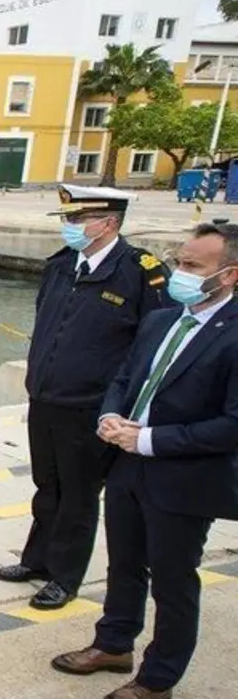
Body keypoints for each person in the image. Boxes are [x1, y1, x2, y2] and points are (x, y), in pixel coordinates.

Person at [51, 221, 238, 699]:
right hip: (126, 467)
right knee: (123, 565)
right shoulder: (161, 321)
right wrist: (110, 415)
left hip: (182, 479)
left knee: (173, 582)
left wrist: (150, 440)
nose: (181, 273)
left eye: (193, 266)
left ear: (230, 275)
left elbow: (232, 425)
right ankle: (113, 644)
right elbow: (125, 378)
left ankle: (158, 679)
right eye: (180, 261)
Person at [0, 184, 174, 611]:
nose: (69, 226)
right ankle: (37, 559)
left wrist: (123, 406)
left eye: (77, 219)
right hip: (45, 397)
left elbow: (152, 345)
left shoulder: (141, 273)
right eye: (68, 219)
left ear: (108, 223)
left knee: (78, 493)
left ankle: (65, 575)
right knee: (47, 485)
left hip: (91, 404)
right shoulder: (60, 266)